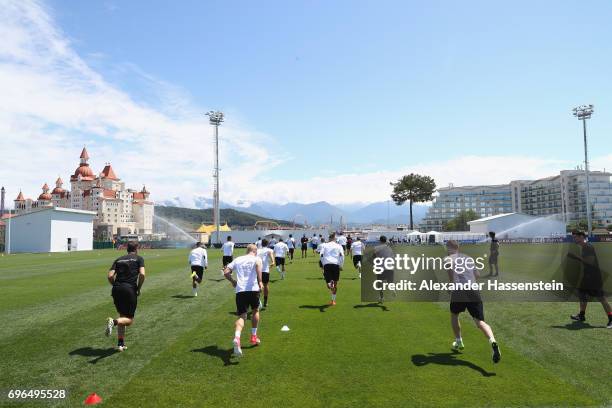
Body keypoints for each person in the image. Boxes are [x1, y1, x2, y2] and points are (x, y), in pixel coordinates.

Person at [445, 240, 501, 363]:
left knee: (454, 314)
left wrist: (451, 287)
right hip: (473, 290)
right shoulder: (468, 258)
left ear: (450, 248)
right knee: (480, 322)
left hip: (459, 291)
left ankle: (459, 341)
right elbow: (477, 274)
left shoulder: (448, 259)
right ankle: (493, 341)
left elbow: (451, 276)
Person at [105, 241, 145, 351]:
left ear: (127, 249)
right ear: (136, 249)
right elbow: (142, 274)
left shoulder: (118, 259)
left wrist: (116, 286)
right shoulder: (139, 259)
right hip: (129, 289)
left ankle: (120, 344)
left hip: (116, 289)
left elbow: (110, 276)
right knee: (129, 320)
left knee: (122, 315)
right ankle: (114, 322)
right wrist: (139, 287)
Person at [224, 244, 263, 357]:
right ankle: (254, 336)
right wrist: (260, 282)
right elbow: (258, 268)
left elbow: (226, 271)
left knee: (242, 316)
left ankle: (237, 337)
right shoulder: (256, 258)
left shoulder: (238, 259)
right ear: (255, 251)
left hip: (240, 290)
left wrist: (233, 281)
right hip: (253, 289)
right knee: (255, 310)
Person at [567, 231, 612, 328]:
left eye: (575, 237)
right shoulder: (584, 247)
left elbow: (590, 262)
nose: (574, 239)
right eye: (573, 237)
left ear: (582, 237)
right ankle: (581, 315)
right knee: (582, 294)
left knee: (601, 298)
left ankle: (611, 319)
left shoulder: (588, 247)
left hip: (594, 277)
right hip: (587, 276)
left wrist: (575, 257)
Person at [319, 233, 344, 305]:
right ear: (335, 238)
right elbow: (342, 256)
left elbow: (321, 255)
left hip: (327, 265)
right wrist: (341, 265)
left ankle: (330, 284)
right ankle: (333, 301)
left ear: (329, 238)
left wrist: (323, 263)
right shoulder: (339, 246)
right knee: (335, 285)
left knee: (328, 285)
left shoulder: (325, 245)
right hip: (336, 265)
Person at [374, 236, 395, 302]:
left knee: (380, 283)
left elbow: (374, 256)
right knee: (389, 282)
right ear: (385, 240)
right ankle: (392, 290)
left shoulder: (376, 248)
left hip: (381, 268)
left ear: (380, 241)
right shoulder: (389, 248)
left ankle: (382, 297)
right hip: (389, 267)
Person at [257, 239, 275, 309]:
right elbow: (271, 256)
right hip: (265, 270)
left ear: (261, 243)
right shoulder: (269, 250)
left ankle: (257, 300)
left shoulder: (257, 250)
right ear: (267, 244)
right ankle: (265, 301)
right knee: (266, 285)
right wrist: (273, 262)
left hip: (257, 270)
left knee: (257, 285)